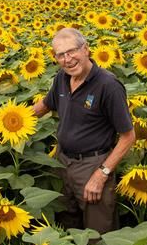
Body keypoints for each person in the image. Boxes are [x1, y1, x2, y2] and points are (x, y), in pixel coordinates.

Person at [33, 28, 135, 234]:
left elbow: (128, 137)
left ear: (86, 49)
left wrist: (101, 174)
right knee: (66, 223)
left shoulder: (108, 86)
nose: (67, 59)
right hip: (62, 162)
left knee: (99, 232)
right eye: (60, 55)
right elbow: (44, 106)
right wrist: (10, 119)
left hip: (92, 165)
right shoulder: (61, 78)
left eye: (71, 51)